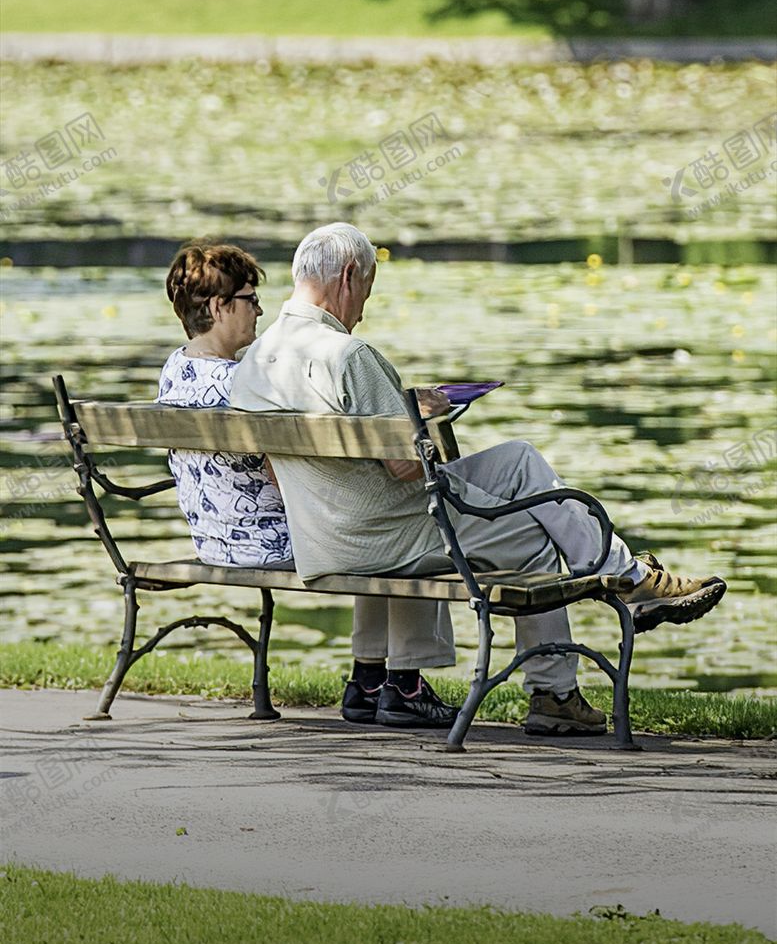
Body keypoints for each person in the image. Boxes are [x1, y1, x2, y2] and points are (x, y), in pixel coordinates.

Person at [230, 222, 727, 738]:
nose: (362, 311)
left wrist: (399, 416)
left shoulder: (254, 361)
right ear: (349, 275)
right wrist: (428, 415)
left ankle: (627, 575)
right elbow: (407, 466)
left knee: (518, 460)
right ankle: (556, 693)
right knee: (535, 536)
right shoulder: (348, 355)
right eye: (367, 292)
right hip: (391, 534)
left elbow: (277, 467)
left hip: (324, 538)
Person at [157, 242, 292, 567]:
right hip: (277, 546)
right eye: (251, 300)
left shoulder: (173, 369)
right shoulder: (244, 383)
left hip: (213, 546)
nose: (259, 311)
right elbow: (286, 478)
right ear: (219, 307)